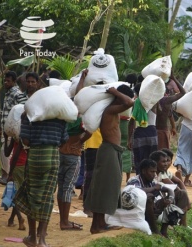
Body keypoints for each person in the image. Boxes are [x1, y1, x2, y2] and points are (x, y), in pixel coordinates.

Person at [84, 85, 134, 234]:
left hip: (112, 150)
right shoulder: (110, 109)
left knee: (107, 187)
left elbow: (128, 102)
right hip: (108, 151)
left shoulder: (113, 109)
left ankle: (101, 223)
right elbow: (129, 103)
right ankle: (96, 225)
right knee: (103, 188)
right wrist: (114, 91)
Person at [14, 115, 68, 247]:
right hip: (52, 156)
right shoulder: (61, 115)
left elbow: (25, 140)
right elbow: (64, 140)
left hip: (35, 156)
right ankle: (42, 240)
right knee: (47, 197)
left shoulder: (29, 113)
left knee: (31, 194)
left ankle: (32, 237)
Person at [57, 117, 91, 231]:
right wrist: (80, 142)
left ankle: (63, 220)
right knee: (68, 188)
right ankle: (65, 222)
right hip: (73, 154)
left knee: (61, 188)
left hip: (60, 153)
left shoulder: (63, 119)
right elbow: (90, 131)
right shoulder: (80, 120)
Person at [127, 159, 175, 237]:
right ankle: (155, 230)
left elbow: (169, 189)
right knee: (149, 197)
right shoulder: (134, 180)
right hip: (135, 211)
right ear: (143, 171)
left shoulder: (151, 182)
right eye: (152, 172)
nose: (154, 174)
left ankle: (164, 231)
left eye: (155, 172)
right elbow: (137, 191)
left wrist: (171, 199)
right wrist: (154, 188)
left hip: (149, 210)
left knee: (167, 199)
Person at [0, 71, 28, 185]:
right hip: (6, 128)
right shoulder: (7, 93)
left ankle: (7, 175)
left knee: (6, 152)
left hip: (12, 129)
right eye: (5, 80)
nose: (6, 82)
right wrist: (1, 127)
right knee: (4, 152)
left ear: (14, 82)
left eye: (8, 81)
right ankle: (5, 174)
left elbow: (21, 108)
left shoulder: (16, 93)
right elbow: (5, 112)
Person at [150, 150, 190, 226]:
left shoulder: (161, 173)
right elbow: (175, 188)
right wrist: (186, 200)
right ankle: (176, 224)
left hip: (160, 203)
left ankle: (180, 224)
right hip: (155, 206)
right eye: (163, 162)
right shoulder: (154, 174)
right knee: (180, 194)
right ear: (155, 162)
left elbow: (178, 183)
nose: (166, 164)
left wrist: (186, 199)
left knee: (181, 194)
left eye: (167, 161)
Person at [128, 83, 158, 174]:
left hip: (139, 132)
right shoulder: (153, 102)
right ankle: (151, 179)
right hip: (152, 132)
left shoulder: (135, 103)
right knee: (152, 158)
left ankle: (140, 179)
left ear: (136, 93)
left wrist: (130, 138)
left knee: (139, 159)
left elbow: (132, 121)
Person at [156, 73, 185, 150]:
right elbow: (183, 92)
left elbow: (170, 114)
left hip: (152, 131)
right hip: (163, 131)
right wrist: (173, 78)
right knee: (163, 154)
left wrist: (173, 127)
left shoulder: (151, 100)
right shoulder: (167, 100)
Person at [4, 134, 27, 231]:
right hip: (24, 167)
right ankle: (15, 219)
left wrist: (5, 139)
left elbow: (7, 153)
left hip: (16, 166)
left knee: (15, 194)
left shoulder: (16, 136)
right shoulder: (26, 136)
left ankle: (16, 218)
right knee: (18, 193)